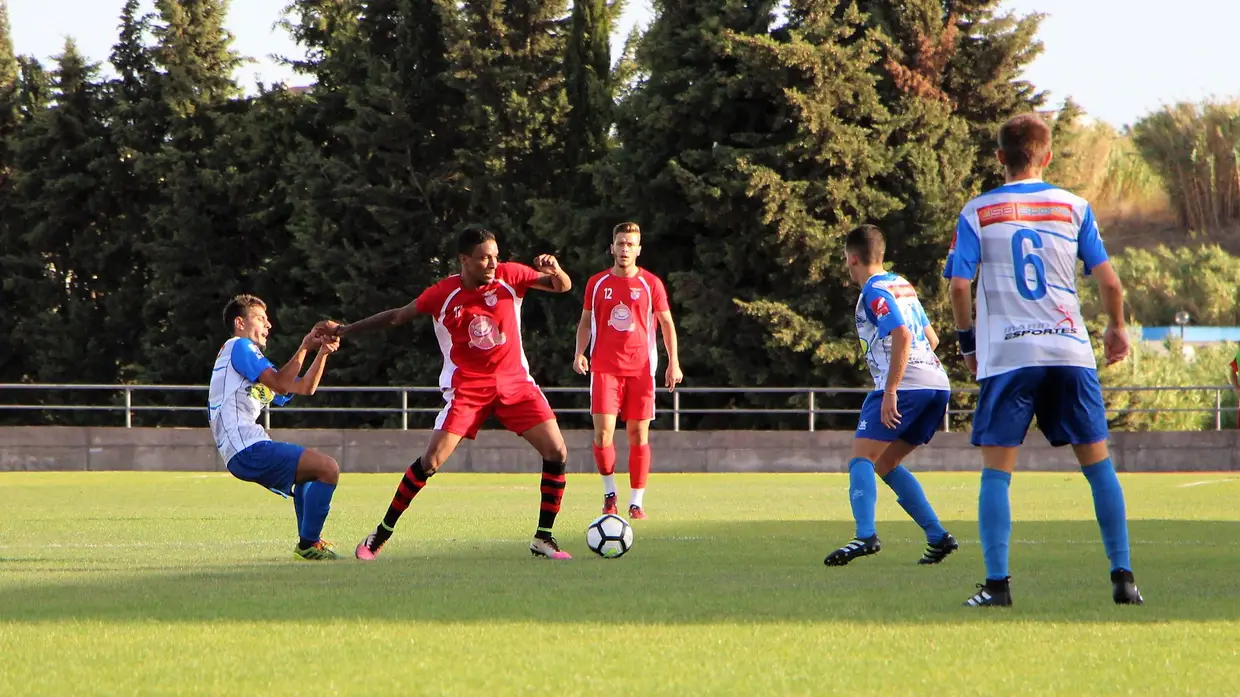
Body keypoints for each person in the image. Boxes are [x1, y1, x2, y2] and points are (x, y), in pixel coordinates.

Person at [946, 113, 1143, 607]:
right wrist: (1116, 326)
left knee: (997, 473)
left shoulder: (978, 211)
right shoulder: (1074, 207)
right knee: (1099, 468)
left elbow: (958, 285)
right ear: (1047, 156)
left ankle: (997, 586)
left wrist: (968, 344)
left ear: (999, 158)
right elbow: (1110, 282)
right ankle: (1124, 577)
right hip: (1068, 350)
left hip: (1010, 354)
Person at [317, 227, 575, 560]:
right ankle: (380, 534)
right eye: (484, 257)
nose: (493, 263)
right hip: (467, 388)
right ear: (464, 260)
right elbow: (397, 316)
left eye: (495, 256)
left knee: (556, 451)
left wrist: (556, 271)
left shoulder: (510, 276)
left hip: (515, 382)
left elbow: (561, 286)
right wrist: (344, 330)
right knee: (432, 461)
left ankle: (544, 537)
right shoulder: (443, 293)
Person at [824, 225, 959, 567]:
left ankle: (865, 535)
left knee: (861, 460)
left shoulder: (873, 291)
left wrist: (892, 389)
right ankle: (937, 536)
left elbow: (900, 333)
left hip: (906, 385)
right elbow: (931, 337)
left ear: (851, 258)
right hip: (936, 385)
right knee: (886, 463)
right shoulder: (902, 285)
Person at [208, 294, 343, 560]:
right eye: (260, 318)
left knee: (311, 474)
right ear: (240, 322)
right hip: (245, 446)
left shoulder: (251, 362)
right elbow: (281, 384)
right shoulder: (240, 347)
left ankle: (308, 544)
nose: (268, 325)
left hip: (244, 448)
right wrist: (305, 346)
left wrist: (322, 353)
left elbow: (305, 387)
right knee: (328, 469)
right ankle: (308, 544)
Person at [573, 222, 683, 519]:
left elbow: (667, 324)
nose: (624, 249)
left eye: (630, 244)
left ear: (638, 249)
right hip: (605, 368)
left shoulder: (651, 284)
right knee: (604, 433)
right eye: (620, 243)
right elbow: (585, 321)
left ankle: (637, 502)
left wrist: (673, 362)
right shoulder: (597, 283)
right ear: (612, 247)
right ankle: (610, 495)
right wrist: (579, 353)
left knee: (638, 434)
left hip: (641, 370)